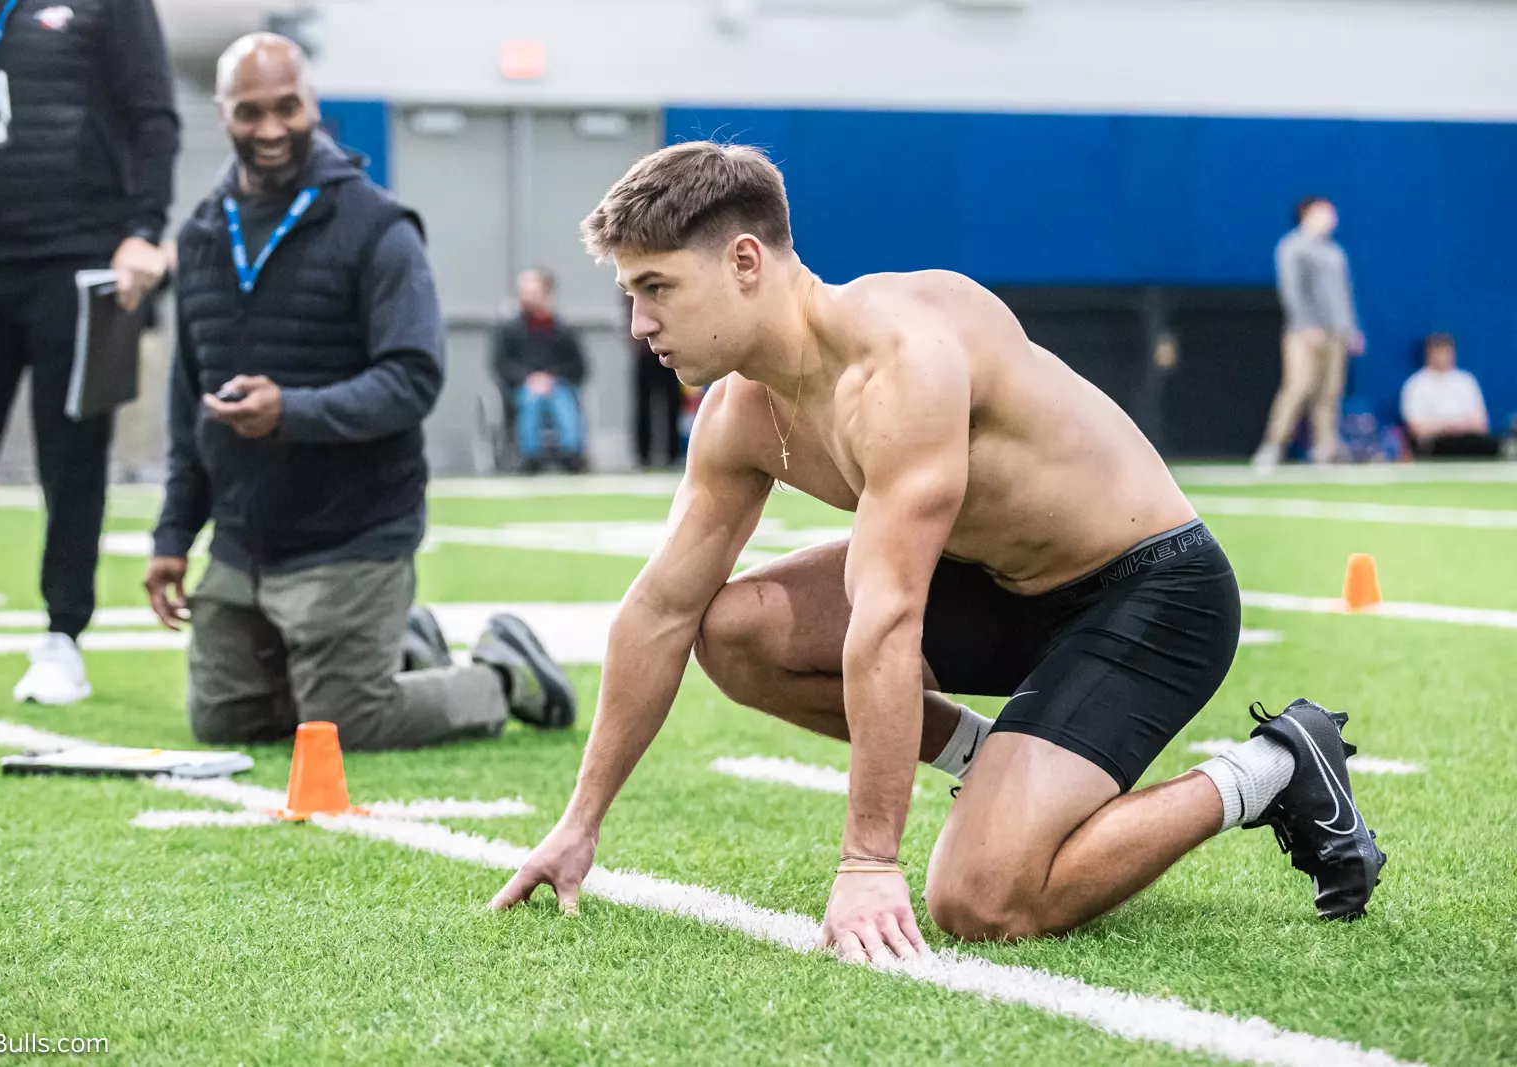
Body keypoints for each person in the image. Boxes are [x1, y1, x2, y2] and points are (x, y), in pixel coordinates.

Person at [489, 143, 1386, 957]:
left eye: (656, 287)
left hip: (1150, 592)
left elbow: (887, 620)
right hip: (999, 585)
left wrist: (868, 861)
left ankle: (1274, 765)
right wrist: (581, 821)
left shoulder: (901, 358)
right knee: (734, 630)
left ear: (745, 261)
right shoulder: (737, 414)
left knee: (980, 899)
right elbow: (661, 610)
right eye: (630, 293)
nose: (638, 322)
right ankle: (993, 768)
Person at [143, 35, 575, 751]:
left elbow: (413, 379)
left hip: (352, 532)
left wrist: (291, 411)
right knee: (224, 721)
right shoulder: (199, 236)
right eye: (251, 113)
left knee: (349, 723)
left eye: (288, 107)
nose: (272, 128)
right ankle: (401, 650)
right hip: (244, 540)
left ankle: (500, 673)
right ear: (223, 114)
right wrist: (171, 537)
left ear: (312, 103)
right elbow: (190, 399)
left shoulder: (377, 226)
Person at [0, 0, 179, 704]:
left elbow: (153, 113)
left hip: (83, 260)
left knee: (72, 459)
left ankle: (63, 637)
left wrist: (145, 227)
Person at [1253, 196, 1365, 473]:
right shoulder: (1292, 247)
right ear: (1307, 213)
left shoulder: (1335, 252)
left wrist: (1351, 329)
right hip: (1303, 333)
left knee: (1330, 392)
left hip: (1336, 332)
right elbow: (1291, 290)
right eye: (1325, 211)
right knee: (1298, 386)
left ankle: (1325, 450)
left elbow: (1344, 296)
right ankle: (1272, 446)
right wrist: (1305, 325)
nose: (1332, 217)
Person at [493, 267, 588, 472]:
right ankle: (531, 457)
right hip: (523, 387)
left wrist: (552, 378)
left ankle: (570, 453)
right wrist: (529, 378)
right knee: (531, 400)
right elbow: (501, 364)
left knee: (562, 400)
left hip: (558, 385)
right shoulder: (509, 330)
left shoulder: (563, 330)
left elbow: (578, 366)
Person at [1399, 334, 1499, 458]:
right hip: (1436, 443)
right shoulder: (1416, 384)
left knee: (1491, 444)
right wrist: (1447, 428)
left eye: (1446, 352)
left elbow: (1481, 423)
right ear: (1429, 354)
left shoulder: (1466, 381)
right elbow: (1416, 428)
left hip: (1468, 440)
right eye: (1438, 352)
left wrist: (1458, 428)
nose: (1442, 357)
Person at [629, 294, 684, 468]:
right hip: (645, 353)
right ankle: (643, 455)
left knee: (673, 403)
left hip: (669, 348)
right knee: (643, 405)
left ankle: (672, 454)